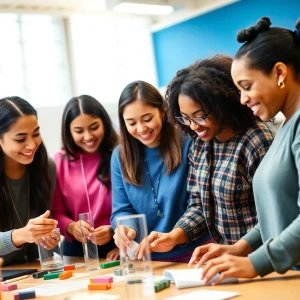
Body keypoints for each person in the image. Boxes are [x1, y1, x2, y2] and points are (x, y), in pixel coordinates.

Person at [193, 17, 300, 284]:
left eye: (247, 86)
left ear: (279, 73)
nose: (242, 99)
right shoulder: (286, 126)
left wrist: (256, 263)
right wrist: (240, 248)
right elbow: (281, 212)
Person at [148, 55, 275, 259]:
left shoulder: (257, 140)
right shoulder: (199, 145)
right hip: (227, 261)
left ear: (221, 105)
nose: (193, 126)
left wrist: (241, 248)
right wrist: (174, 236)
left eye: (199, 115)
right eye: (186, 118)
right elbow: (199, 204)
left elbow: (275, 213)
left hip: (263, 258)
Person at [110, 80, 210, 263]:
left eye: (147, 119)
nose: (141, 129)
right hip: (147, 260)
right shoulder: (120, 156)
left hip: (195, 256)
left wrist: (174, 235)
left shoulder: (189, 143)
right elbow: (122, 209)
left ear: (163, 112)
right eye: (131, 123)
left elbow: (201, 205)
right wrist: (127, 229)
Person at [51, 95, 119, 260]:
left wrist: (116, 233)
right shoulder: (59, 161)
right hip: (76, 250)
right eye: (79, 131)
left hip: (117, 246)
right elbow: (55, 212)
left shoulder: (120, 155)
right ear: (69, 132)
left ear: (105, 123)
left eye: (94, 127)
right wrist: (71, 226)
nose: (88, 137)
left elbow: (133, 206)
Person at [0, 97, 57, 266]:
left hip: (26, 270)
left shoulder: (46, 167)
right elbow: (23, 235)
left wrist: (45, 238)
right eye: (20, 139)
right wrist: (21, 235)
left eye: (36, 134)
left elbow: (35, 250)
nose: (32, 145)